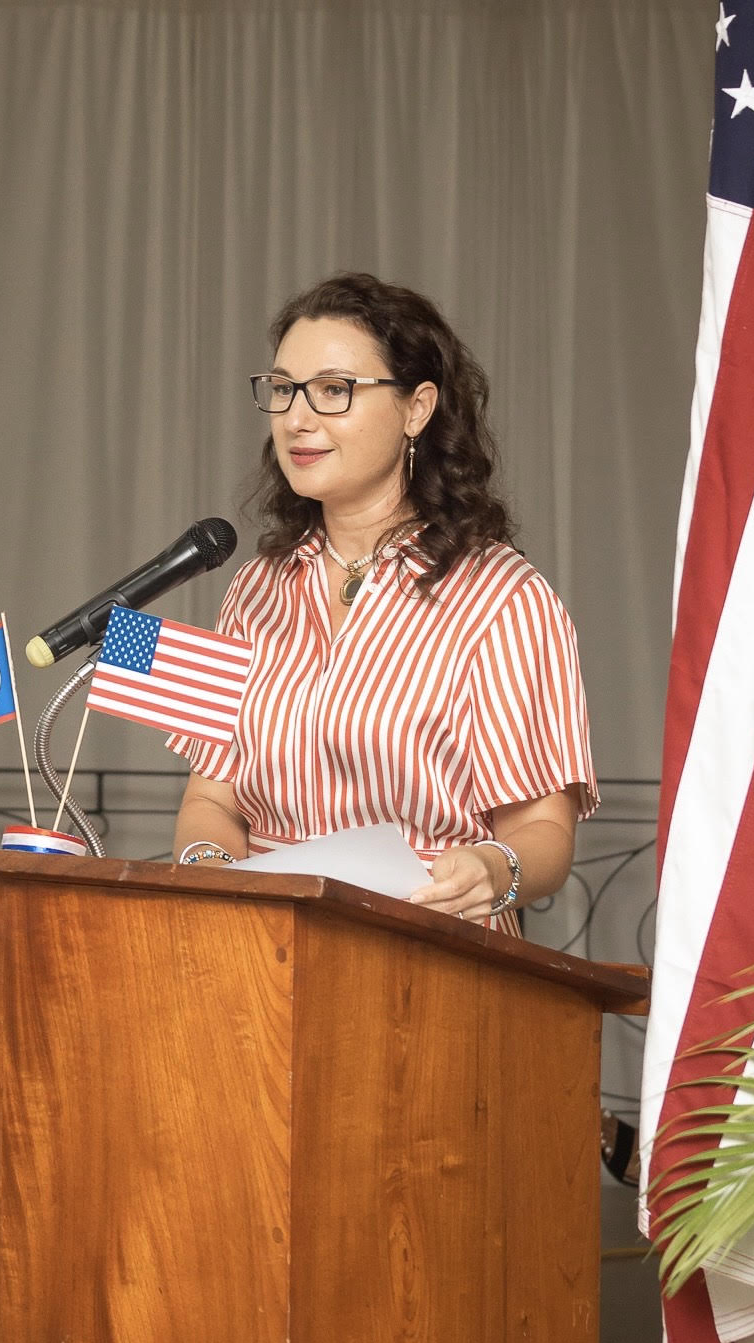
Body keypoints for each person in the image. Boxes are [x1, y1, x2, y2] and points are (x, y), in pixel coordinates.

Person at [169, 272, 596, 932]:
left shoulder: (503, 598)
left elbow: (542, 828)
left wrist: (491, 868)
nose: (298, 419)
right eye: (283, 390)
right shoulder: (254, 590)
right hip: (265, 957)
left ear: (417, 408)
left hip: (429, 953)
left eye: (334, 391)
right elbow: (212, 796)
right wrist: (205, 867)